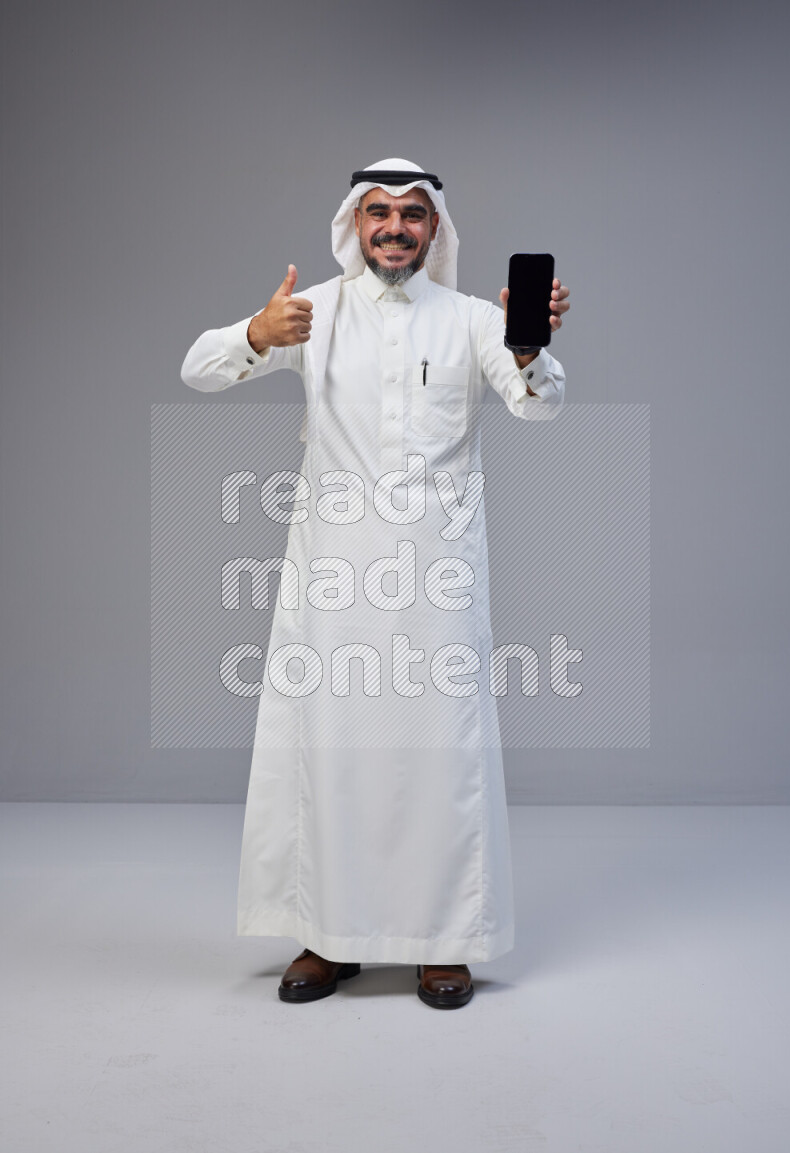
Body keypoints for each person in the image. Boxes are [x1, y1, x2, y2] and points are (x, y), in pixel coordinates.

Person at [181, 158, 570, 1009]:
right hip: (333, 576)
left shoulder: (472, 320)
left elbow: (537, 404)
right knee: (333, 752)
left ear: (436, 230)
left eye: (413, 215)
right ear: (356, 224)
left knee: (439, 757)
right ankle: (328, 936)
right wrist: (256, 331)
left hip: (437, 574)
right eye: (379, 213)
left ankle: (443, 942)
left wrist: (529, 347)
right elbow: (197, 370)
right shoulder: (309, 313)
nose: (395, 228)